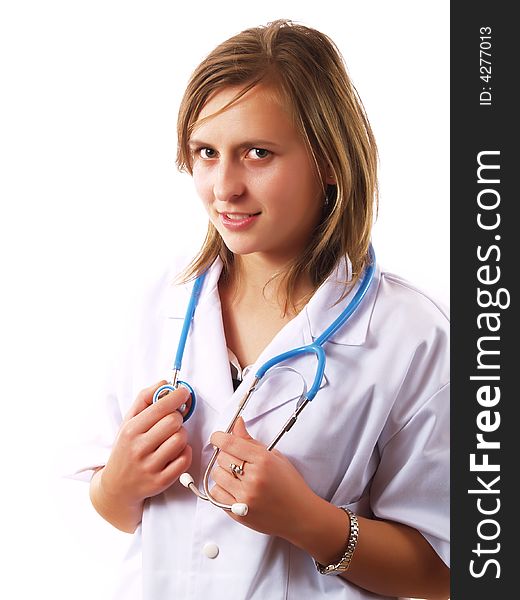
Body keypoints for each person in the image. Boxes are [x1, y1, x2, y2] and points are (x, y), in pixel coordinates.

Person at [71, 19, 450, 600]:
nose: (224, 187)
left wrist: (307, 521)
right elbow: (109, 508)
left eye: (257, 153)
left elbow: (448, 571)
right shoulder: (160, 302)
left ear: (328, 159)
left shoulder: (411, 335)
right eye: (206, 153)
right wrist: (119, 484)